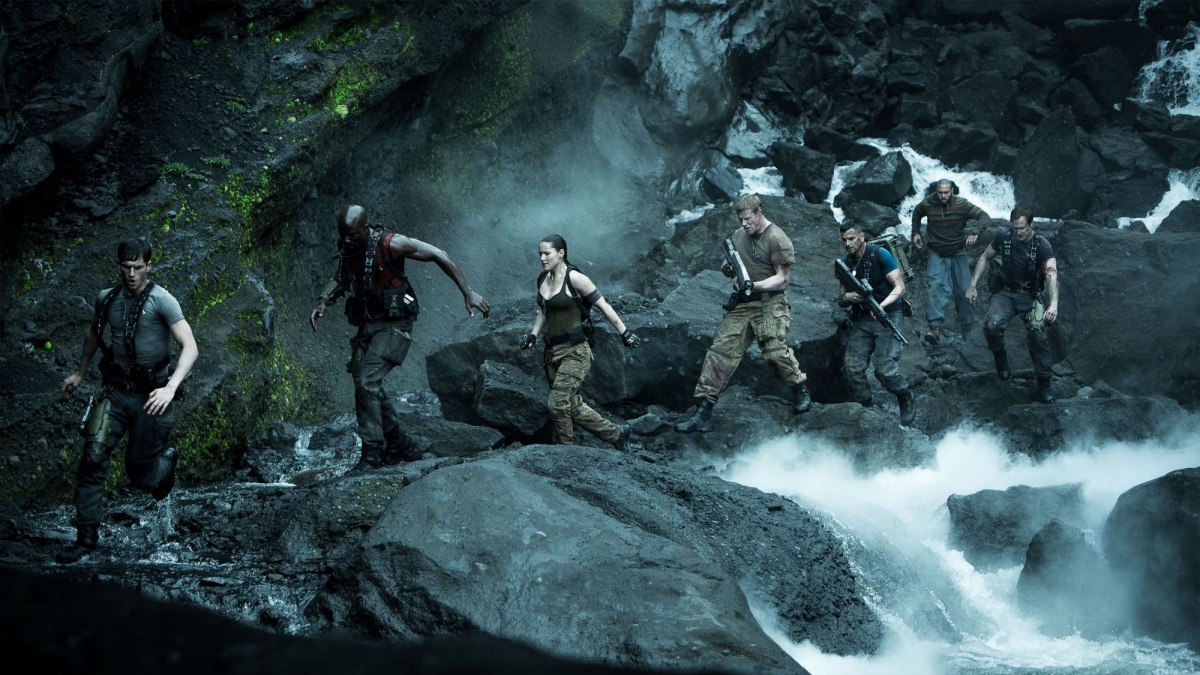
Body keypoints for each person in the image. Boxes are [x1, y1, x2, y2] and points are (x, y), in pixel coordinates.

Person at [310, 205, 490, 471]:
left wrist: (468, 292)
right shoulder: (347, 244)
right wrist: (324, 301)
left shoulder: (392, 244)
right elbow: (343, 274)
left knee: (367, 380)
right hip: (369, 323)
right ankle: (398, 443)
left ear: (365, 228)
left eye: (352, 235)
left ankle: (371, 454)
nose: (346, 241)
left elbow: (438, 254)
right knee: (363, 381)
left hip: (396, 324)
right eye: (343, 235)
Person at [57, 238, 199, 563]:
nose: (132, 274)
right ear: (119, 266)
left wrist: (170, 388)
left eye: (138, 267)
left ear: (149, 265)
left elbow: (190, 346)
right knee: (92, 457)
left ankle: (166, 465)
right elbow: (93, 333)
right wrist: (79, 373)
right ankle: (86, 539)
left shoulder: (163, 300)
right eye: (126, 267)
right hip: (117, 393)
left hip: (153, 397)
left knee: (140, 474)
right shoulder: (106, 298)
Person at [675, 194, 811, 434]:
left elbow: (782, 280)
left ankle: (800, 388)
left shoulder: (777, 239)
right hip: (743, 304)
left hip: (770, 302)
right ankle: (703, 412)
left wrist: (754, 286)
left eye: (748, 219)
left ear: (759, 212)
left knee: (774, 353)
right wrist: (729, 269)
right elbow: (728, 262)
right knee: (720, 352)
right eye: (741, 220)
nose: (744, 224)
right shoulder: (739, 235)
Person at [519, 235, 639, 449]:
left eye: (547, 253)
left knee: (557, 405)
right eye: (540, 254)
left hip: (576, 351)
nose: (542, 258)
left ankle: (564, 451)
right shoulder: (543, 279)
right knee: (571, 405)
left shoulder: (575, 278)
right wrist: (533, 335)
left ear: (561, 253)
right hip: (551, 352)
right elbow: (544, 310)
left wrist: (625, 332)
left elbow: (604, 305)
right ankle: (617, 434)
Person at [966, 205, 1060, 404]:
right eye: (1015, 228)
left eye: (1022, 228)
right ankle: (1001, 361)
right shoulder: (1003, 236)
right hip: (1006, 293)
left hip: (1030, 295)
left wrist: (1053, 305)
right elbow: (985, 257)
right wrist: (973, 285)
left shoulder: (1042, 245)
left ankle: (1044, 383)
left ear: (1031, 224)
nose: (1018, 232)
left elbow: (1052, 275)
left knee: (1037, 334)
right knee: (991, 326)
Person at [835, 222, 916, 426]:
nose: (848, 243)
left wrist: (881, 305)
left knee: (884, 368)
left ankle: (904, 395)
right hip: (863, 317)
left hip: (889, 313)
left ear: (861, 237)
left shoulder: (879, 254)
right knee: (852, 366)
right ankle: (866, 407)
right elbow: (841, 297)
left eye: (851, 239)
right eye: (844, 240)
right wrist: (849, 297)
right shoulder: (845, 263)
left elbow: (900, 287)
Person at [911, 179, 989, 344]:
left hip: (958, 252)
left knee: (965, 290)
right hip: (936, 252)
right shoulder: (928, 203)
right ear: (936, 191)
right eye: (940, 192)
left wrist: (975, 231)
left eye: (946, 192)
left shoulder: (962, 205)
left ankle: (967, 328)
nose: (943, 196)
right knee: (935, 286)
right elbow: (917, 212)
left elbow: (984, 216)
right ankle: (935, 328)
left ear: (952, 191)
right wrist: (915, 232)